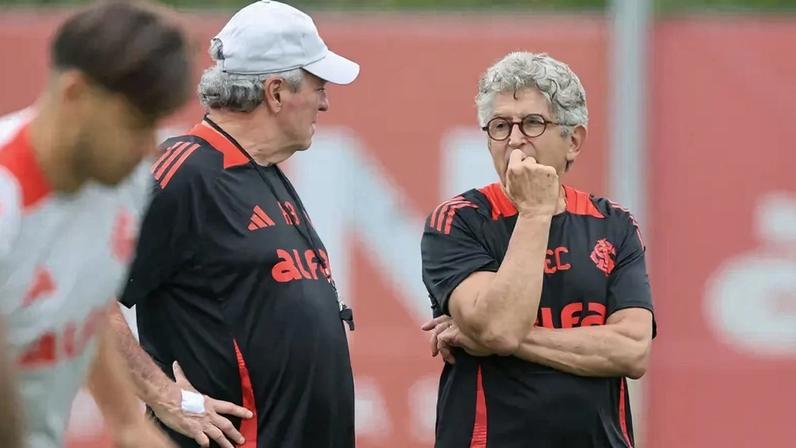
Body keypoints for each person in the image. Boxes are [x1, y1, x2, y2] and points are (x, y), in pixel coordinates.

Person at [110, 2, 360, 447]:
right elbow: (83, 301)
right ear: (277, 92)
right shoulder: (182, 171)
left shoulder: (263, 170)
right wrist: (166, 397)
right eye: (319, 85)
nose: (325, 101)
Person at [420, 52, 656, 448]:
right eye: (499, 125)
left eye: (532, 122)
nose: (514, 140)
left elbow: (631, 350)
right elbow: (499, 326)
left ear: (573, 141)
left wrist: (501, 341)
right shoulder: (458, 220)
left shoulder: (614, 224)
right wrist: (535, 212)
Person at [0, 1, 192, 447]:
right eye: (135, 123)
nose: (149, 147)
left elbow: (84, 305)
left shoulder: (123, 182)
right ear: (74, 94)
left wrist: (129, 423)